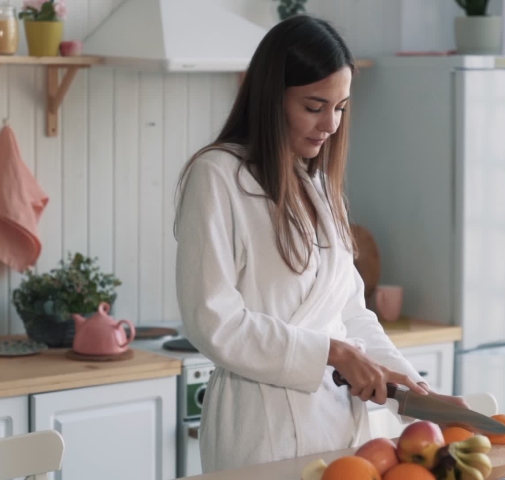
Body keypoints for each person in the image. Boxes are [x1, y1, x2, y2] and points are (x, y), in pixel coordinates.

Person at [174, 14, 469, 474]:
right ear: (271, 98)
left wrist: (414, 392)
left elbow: (351, 313)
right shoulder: (216, 177)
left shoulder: (316, 184)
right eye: (314, 106)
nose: (330, 124)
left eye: (341, 107)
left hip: (340, 432)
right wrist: (335, 353)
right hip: (260, 431)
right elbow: (213, 321)